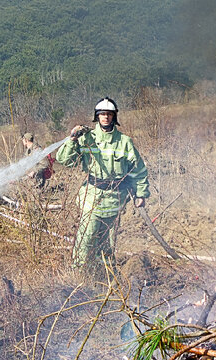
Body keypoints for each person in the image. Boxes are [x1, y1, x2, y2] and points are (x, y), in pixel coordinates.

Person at [56, 97, 150, 273]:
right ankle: (79, 274)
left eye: (109, 114)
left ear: (114, 117)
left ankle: (102, 275)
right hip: (91, 197)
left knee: (108, 242)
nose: (105, 117)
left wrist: (141, 194)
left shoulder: (125, 142)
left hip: (115, 199)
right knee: (86, 238)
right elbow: (63, 160)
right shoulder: (86, 139)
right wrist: (72, 140)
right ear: (97, 117)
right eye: (102, 114)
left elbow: (138, 170)